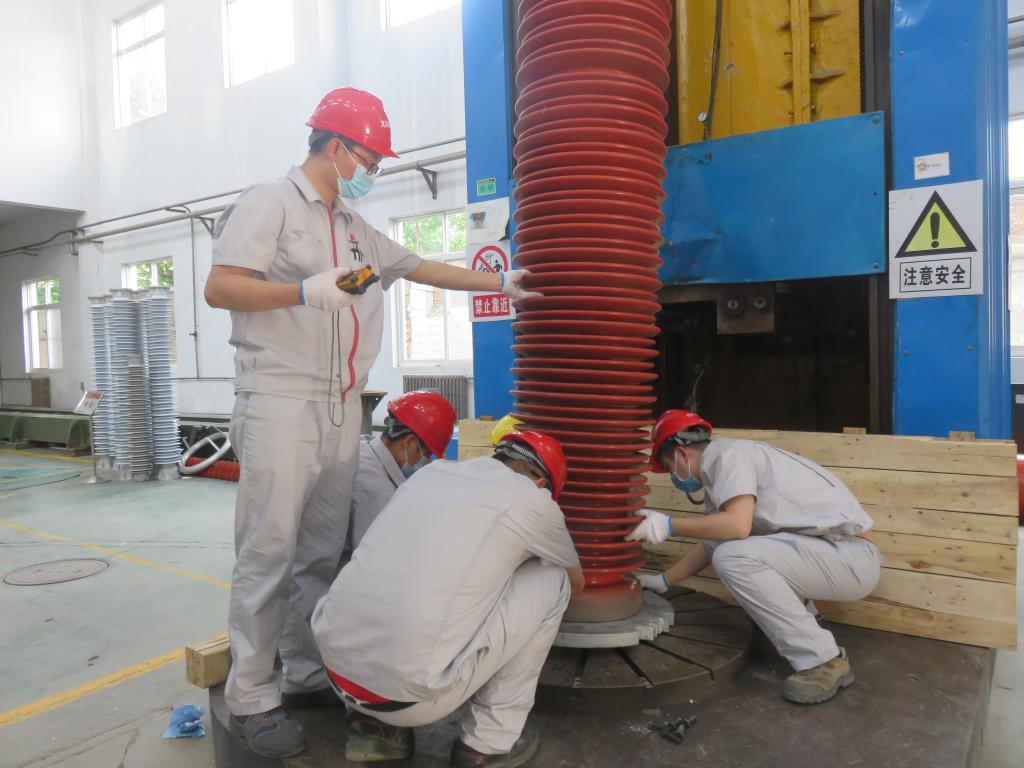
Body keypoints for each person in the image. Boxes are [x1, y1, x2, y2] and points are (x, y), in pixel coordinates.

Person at [204, 87, 538, 758]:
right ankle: (251, 696)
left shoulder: (353, 226)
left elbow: (418, 267)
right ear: (335, 146)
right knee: (269, 551)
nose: (374, 170)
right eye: (370, 158)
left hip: (342, 402)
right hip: (279, 399)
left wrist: (499, 284)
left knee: (320, 551)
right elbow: (221, 287)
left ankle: (303, 672)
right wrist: (303, 291)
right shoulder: (269, 203)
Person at [311, 430, 585, 766]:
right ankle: (487, 743)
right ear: (541, 483)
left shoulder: (430, 474)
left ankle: (373, 729)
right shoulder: (535, 501)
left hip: (336, 671)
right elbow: (577, 581)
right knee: (554, 579)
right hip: (407, 699)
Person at [627, 409, 884, 705]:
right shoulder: (725, 465)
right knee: (733, 549)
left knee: (734, 557)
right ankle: (806, 623)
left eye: (668, 466)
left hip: (849, 557)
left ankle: (823, 661)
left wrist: (668, 525)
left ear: (682, 454)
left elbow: (736, 527)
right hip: (831, 553)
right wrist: (663, 581)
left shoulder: (729, 457)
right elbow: (715, 539)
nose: (673, 476)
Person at [348, 390, 457, 548]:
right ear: (409, 442)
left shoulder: (364, 448)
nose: (426, 462)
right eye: (427, 454)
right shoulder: (379, 493)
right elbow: (376, 555)